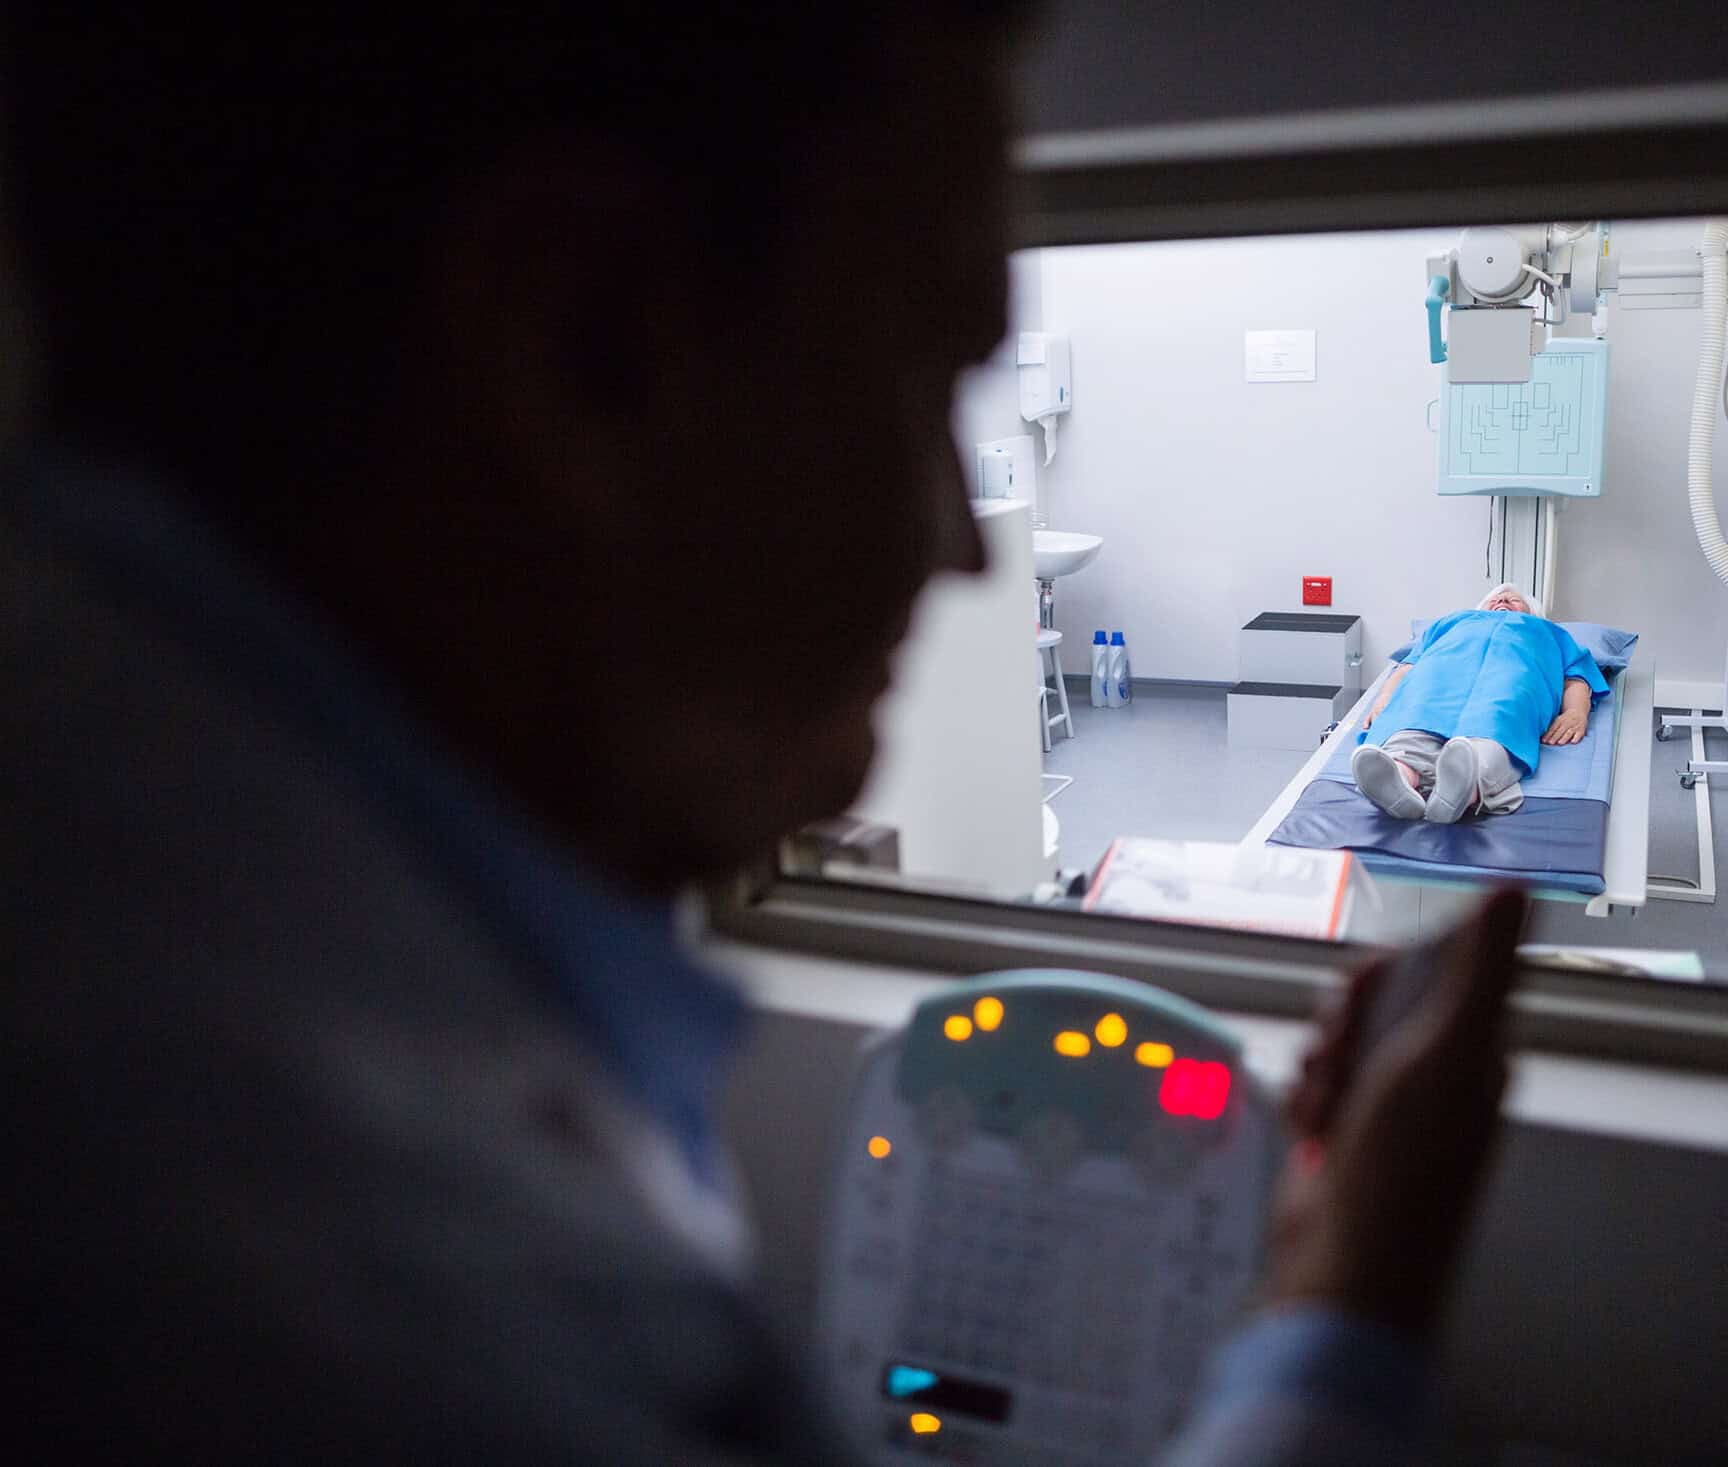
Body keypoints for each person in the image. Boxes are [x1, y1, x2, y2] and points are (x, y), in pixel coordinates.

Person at [1, 9, 1522, 1463]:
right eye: (924, 378)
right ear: (588, 349)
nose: (962, 546)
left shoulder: (156, 903)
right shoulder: (340, 1283)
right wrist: (1351, 1335)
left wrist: (1332, 1293)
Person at [1351, 583, 1609, 823]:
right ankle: (1400, 777)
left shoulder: (1550, 632)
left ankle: (1467, 785)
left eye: (1513, 600)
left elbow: (1576, 679)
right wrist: (1385, 698)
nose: (1502, 601)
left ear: (1533, 612)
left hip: (1514, 675)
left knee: (1501, 716)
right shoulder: (1452, 622)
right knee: (1417, 712)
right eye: (1495, 599)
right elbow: (1408, 667)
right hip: (1440, 677)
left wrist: (1576, 711)